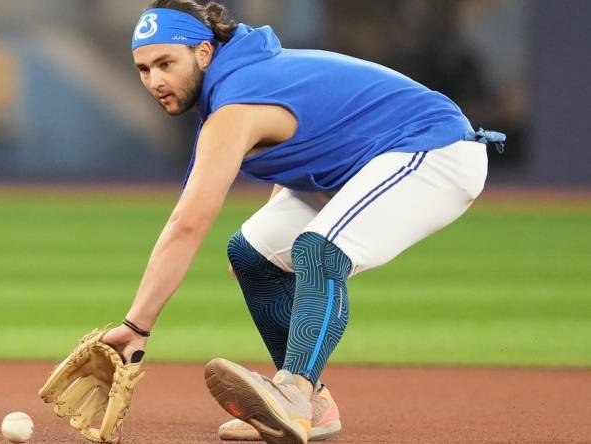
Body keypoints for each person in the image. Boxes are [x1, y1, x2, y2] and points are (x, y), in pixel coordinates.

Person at [100, 1, 505, 443]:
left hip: (435, 148)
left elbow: (188, 223)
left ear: (202, 52)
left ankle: (294, 390)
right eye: (143, 68)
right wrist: (271, 238)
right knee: (251, 254)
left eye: (166, 62)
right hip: (367, 159)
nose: (155, 80)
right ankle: (313, 407)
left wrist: (137, 326)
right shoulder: (242, 78)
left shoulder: (235, 105)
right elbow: (308, 140)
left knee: (319, 250)